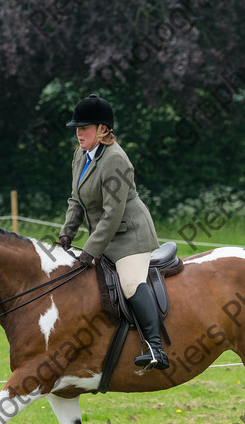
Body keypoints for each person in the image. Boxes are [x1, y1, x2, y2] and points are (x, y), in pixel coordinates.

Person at [57, 94, 169, 371]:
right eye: (77, 128)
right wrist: (66, 235)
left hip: (130, 235)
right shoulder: (80, 155)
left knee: (130, 283)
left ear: (103, 129)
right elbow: (75, 200)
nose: (78, 132)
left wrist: (88, 252)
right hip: (105, 235)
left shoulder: (116, 160)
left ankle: (155, 348)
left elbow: (112, 214)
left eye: (84, 128)